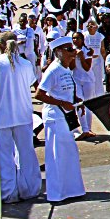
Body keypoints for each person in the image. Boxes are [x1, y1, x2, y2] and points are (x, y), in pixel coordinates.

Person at [0, 32, 41, 202]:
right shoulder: (26, 64)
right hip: (22, 114)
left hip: (1, 116)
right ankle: (29, 189)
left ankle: (7, 193)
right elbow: (32, 85)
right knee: (26, 152)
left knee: (3, 156)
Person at [34, 36, 86, 202]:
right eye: (69, 50)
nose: (73, 53)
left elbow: (67, 91)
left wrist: (76, 100)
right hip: (55, 116)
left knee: (68, 153)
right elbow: (39, 94)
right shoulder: (53, 70)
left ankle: (71, 189)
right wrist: (61, 102)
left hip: (66, 115)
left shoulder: (66, 69)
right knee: (56, 155)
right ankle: (57, 193)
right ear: (59, 52)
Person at [71, 31, 97, 140]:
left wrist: (81, 57)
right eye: (73, 38)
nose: (75, 40)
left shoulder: (87, 51)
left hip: (88, 80)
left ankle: (89, 128)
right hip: (76, 79)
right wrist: (73, 57)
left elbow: (87, 68)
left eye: (77, 38)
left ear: (82, 40)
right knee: (79, 103)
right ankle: (84, 129)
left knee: (88, 104)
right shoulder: (72, 51)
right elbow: (71, 67)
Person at [83, 18, 106, 98]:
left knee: (98, 79)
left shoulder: (100, 36)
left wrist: (105, 59)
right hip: (88, 59)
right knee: (89, 78)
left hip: (97, 59)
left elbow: (102, 49)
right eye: (88, 26)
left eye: (92, 26)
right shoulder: (84, 35)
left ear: (96, 27)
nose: (90, 28)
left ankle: (99, 96)